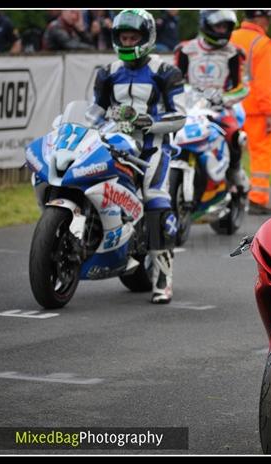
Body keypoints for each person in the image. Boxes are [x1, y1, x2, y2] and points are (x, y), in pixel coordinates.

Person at [93, 9, 186, 303]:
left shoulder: (166, 72)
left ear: (147, 38)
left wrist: (150, 123)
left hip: (153, 146)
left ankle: (163, 278)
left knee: (156, 197)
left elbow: (181, 116)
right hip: (117, 142)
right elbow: (95, 111)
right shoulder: (107, 73)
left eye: (133, 36)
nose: (128, 41)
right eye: (124, 36)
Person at [175, 10, 250, 193]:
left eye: (225, 26)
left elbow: (242, 86)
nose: (222, 30)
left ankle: (235, 170)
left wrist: (223, 98)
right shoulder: (184, 50)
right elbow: (173, 80)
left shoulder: (234, 52)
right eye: (218, 26)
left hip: (220, 106)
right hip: (189, 106)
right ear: (205, 24)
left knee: (234, 133)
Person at [230, 10, 271, 215]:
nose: (269, 22)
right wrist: (269, 113)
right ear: (259, 17)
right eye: (268, 17)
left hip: (230, 107)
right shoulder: (263, 44)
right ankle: (257, 199)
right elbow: (264, 84)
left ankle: (226, 197)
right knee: (260, 154)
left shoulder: (229, 38)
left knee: (229, 153)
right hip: (255, 110)